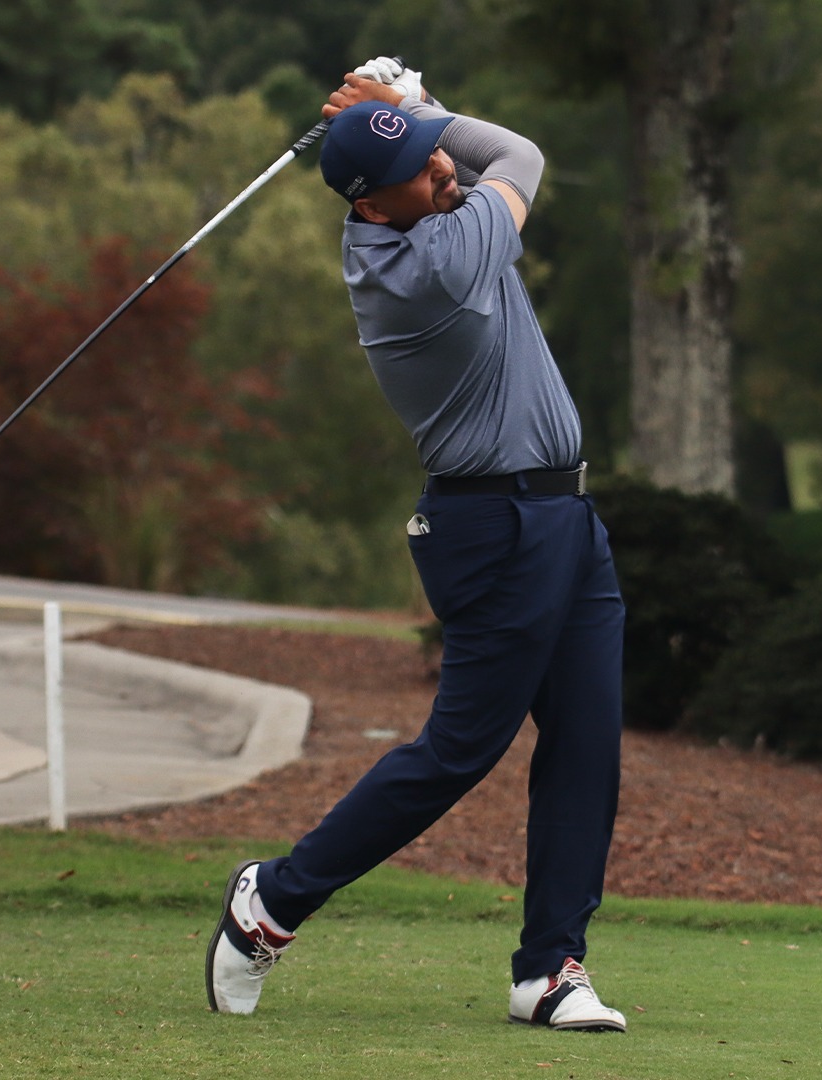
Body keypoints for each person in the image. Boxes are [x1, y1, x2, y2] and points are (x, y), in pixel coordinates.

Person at [204, 59, 629, 1033]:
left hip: (564, 518)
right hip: (495, 526)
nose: (446, 173)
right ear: (375, 207)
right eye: (426, 172)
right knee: (457, 751)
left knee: (587, 745)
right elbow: (517, 155)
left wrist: (404, 123)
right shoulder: (428, 266)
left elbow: (464, 170)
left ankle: (550, 969)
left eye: (439, 158)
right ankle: (270, 903)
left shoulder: (424, 215)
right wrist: (420, 109)